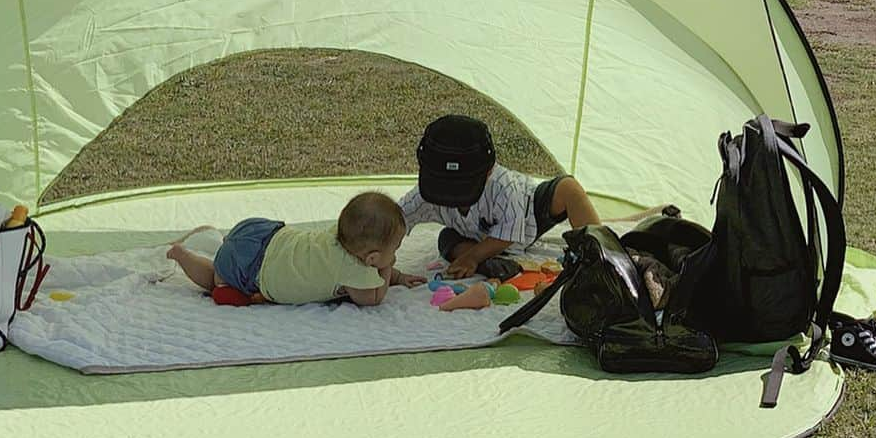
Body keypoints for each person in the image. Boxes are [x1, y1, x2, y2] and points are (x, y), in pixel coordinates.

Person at [397, 115, 602, 281]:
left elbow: (509, 231)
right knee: (446, 239)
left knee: (568, 188)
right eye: (444, 187)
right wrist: (376, 255)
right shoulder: (426, 194)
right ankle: (489, 263)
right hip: (476, 237)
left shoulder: (504, 185)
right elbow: (392, 218)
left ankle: (603, 253)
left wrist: (471, 257)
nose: (454, 197)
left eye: (463, 188)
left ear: (489, 171)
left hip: (529, 215)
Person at [166, 190, 424, 306]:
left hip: (265, 232)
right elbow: (375, 298)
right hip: (255, 267)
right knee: (214, 279)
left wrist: (399, 276)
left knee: (229, 253)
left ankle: (217, 243)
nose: (396, 254)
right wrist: (389, 268)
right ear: (371, 259)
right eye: (396, 248)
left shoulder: (341, 233)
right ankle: (182, 255)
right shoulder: (354, 270)